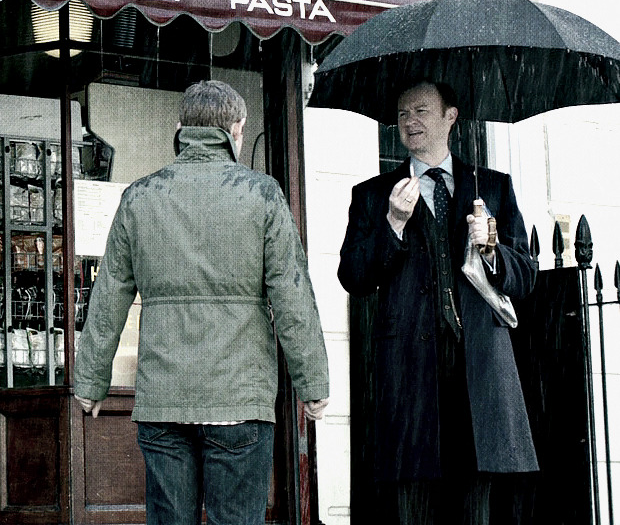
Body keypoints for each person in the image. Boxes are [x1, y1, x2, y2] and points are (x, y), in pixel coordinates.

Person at [74, 79, 329, 525]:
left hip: (164, 400)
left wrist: (90, 382)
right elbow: (293, 296)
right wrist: (313, 384)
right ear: (237, 128)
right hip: (239, 398)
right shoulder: (262, 194)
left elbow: (108, 296)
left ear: (180, 129)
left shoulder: (140, 197)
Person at [338, 80, 538, 525]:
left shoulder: (493, 187)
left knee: (476, 507)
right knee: (416, 506)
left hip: (479, 370)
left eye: (421, 111)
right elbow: (352, 276)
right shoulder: (373, 195)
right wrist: (393, 223)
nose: (409, 121)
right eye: (403, 113)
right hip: (410, 373)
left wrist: (492, 250)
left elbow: (525, 275)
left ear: (450, 117)